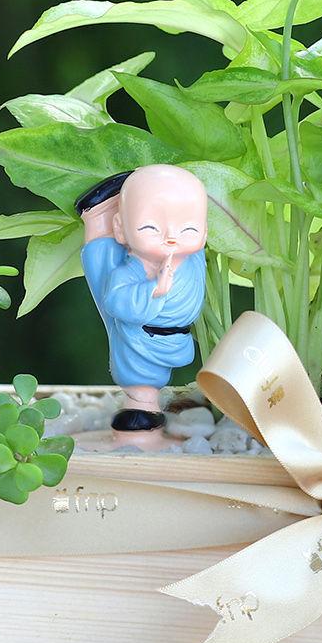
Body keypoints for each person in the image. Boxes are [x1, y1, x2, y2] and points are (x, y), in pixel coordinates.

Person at [75, 164, 209, 445]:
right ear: (121, 231)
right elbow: (116, 300)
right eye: (150, 227)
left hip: (176, 338)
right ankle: (140, 415)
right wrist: (154, 289)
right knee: (141, 386)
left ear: (205, 231)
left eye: (189, 228)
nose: (172, 236)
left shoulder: (192, 259)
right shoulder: (131, 270)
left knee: (153, 381)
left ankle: (100, 213)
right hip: (140, 339)